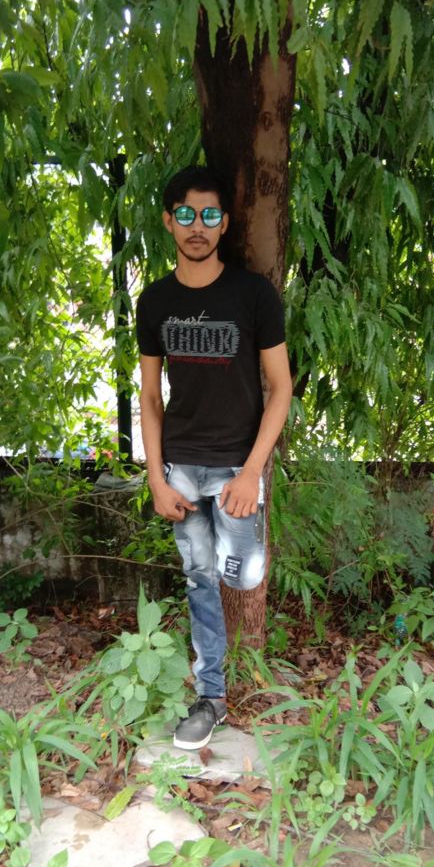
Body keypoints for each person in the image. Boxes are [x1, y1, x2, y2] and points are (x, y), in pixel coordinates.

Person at [136, 165, 292, 750]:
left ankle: (241, 542)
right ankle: (211, 697)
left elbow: (281, 387)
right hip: (180, 467)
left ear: (224, 223)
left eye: (208, 215)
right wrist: (156, 479)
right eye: (185, 214)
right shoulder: (155, 300)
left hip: (235, 469)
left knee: (243, 573)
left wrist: (253, 472)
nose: (196, 226)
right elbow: (150, 398)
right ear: (169, 221)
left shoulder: (253, 295)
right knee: (199, 578)